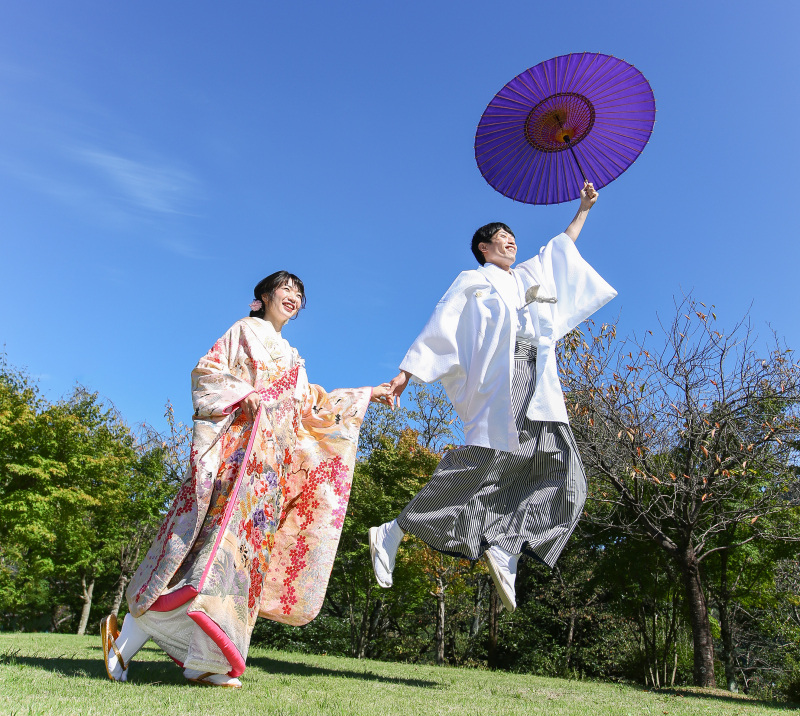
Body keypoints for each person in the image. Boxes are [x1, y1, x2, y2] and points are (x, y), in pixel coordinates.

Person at [102, 271, 391, 687]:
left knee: (239, 563)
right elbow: (207, 371)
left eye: (299, 293)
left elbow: (315, 408)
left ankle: (206, 661)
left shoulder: (294, 359)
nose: (293, 296)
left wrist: (367, 393)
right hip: (236, 454)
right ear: (262, 298)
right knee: (206, 546)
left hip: (267, 475)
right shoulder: (243, 331)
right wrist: (244, 394)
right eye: (286, 289)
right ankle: (129, 634)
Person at [369, 183, 616, 612]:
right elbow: (441, 325)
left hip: (538, 375)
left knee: (567, 475)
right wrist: (405, 374)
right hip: (505, 374)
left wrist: (583, 209)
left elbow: (560, 248)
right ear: (483, 248)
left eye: (512, 235)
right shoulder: (474, 281)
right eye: (501, 235)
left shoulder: (526, 278)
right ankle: (398, 529)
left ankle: (505, 542)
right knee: (488, 459)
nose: (511, 239)